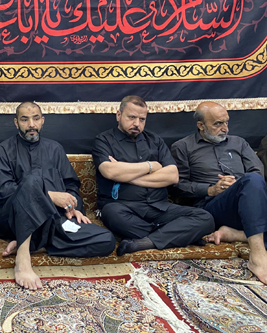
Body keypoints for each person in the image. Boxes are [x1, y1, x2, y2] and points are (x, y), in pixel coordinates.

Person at [0, 102, 116, 290]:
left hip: (51, 221)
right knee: (32, 180)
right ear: (16, 123)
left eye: (35, 119)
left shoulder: (55, 149)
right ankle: (23, 259)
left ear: (42, 121)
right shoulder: (4, 150)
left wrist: (71, 207)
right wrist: (49, 196)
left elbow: (71, 185)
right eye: (24, 119)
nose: (31, 124)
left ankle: (34, 244)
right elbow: (5, 190)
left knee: (106, 240)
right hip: (12, 220)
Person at [92, 95, 214, 257]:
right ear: (119, 115)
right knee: (111, 213)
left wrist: (125, 175)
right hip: (123, 207)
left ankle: (145, 242)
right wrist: (151, 166)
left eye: (142, 119)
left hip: (159, 207)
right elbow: (109, 171)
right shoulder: (104, 140)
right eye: (132, 117)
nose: (137, 123)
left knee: (205, 218)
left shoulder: (154, 141)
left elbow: (172, 176)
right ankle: (178, 236)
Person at [171, 101, 267, 284]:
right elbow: (177, 186)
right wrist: (211, 189)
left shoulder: (239, 143)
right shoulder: (183, 147)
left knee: (252, 180)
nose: (225, 128)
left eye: (226, 122)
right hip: (213, 205)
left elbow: (257, 172)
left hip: (248, 198)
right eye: (218, 124)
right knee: (251, 181)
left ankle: (238, 235)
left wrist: (239, 185)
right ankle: (257, 256)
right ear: (201, 125)